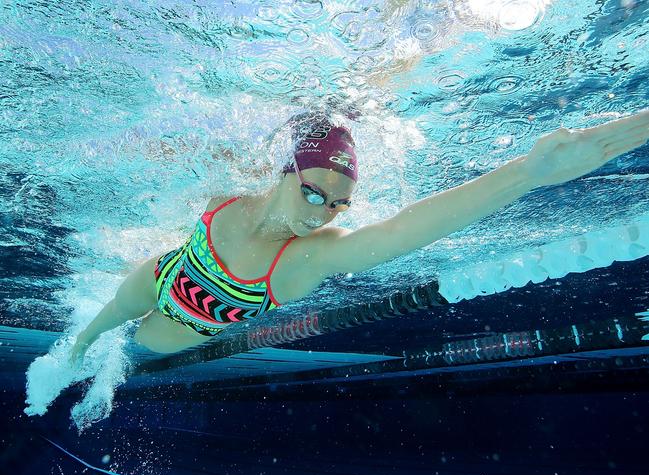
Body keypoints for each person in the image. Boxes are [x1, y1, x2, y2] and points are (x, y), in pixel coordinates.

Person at [70, 109, 649, 363]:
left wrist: (526, 173)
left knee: (135, 353)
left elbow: (405, 231)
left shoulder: (305, 258)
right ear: (285, 171)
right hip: (153, 277)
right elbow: (170, 150)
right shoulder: (229, 189)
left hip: (181, 332)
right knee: (91, 332)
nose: (322, 214)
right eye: (315, 194)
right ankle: (69, 357)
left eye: (339, 204)